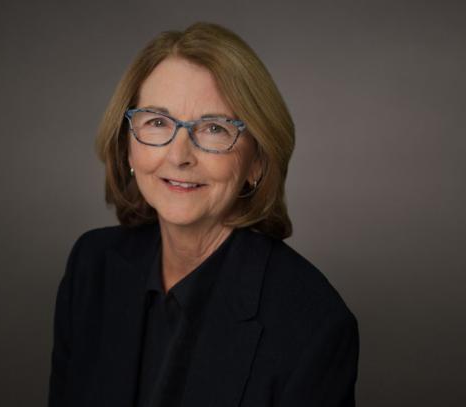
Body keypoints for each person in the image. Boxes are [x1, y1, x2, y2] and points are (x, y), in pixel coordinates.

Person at [48, 22, 359, 407]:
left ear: (257, 162)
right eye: (157, 122)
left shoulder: (312, 323)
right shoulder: (92, 268)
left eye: (213, 128)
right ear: (128, 145)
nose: (179, 156)